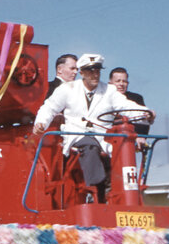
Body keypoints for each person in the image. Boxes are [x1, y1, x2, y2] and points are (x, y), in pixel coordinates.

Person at [34, 53, 154, 197]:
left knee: (122, 149)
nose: (95, 74)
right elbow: (49, 107)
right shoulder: (67, 89)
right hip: (76, 135)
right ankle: (96, 191)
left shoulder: (109, 91)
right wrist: (41, 123)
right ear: (82, 72)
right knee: (89, 145)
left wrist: (145, 113)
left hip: (104, 138)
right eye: (90, 71)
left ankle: (125, 195)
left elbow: (126, 105)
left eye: (97, 71)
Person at [108, 67, 149, 136]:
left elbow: (144, 122)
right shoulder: (104, 98)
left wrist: (139, 137)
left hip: (132, 139)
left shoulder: (136, 98)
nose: (121, 84)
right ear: (110, 83)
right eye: (118, 81)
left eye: (124, 81)